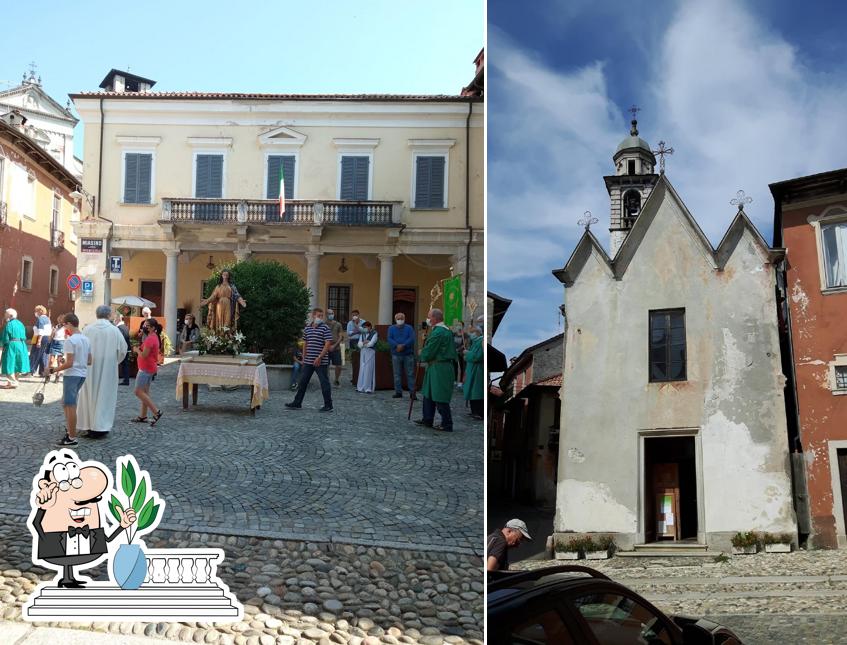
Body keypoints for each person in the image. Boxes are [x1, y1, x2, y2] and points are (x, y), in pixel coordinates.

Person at [76, 305, 129, 438]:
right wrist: (114, 361)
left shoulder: (87, 329)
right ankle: (101, 426)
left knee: (89, 395)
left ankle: (88, 425)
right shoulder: (114, 331)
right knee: (105, 396)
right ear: (109, 315)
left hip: (90, 367)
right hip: (108, 368)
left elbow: (80, 347)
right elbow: (123, 350)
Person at [50, 313, 92, 447]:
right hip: (81, 374)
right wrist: (71, 360)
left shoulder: (70, 340)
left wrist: (52, 370)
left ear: (69, 324)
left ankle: (72, 437)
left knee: (70, 405)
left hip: (72, 374)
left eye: (64, 325)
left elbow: (69, 363)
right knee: (65, 402)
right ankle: (70, 430)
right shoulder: (86, 339)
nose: (63, 328)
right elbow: (90, 360)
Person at [414, 308, 458, 432]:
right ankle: (427, 419)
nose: (427, 319)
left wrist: (422, 353)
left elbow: (430, 350)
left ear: (435, 318)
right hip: (434, 366)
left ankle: (447, 423)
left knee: (439, 395)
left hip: (440, 367)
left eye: (429, 316)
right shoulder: (440, 330)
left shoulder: (439, 332)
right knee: (428, 393)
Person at [286, 307, 333, 412]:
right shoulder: (307, 328)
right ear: (313, 315)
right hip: (308, 361)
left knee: (324, 383)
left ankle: (328, 405)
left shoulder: (325, 328)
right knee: (303, 382)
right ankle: (297, 403)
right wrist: (304, 356)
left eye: (322, 316)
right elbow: (305, 343)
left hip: (321, 361)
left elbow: (328, 344)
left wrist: (319, 357)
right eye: (318, 315)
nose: (320, 318)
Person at [133, 318, 163, 426]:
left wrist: (137, 350)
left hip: (146, 368)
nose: (145, 327)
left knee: (138, 391)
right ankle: (143, 416)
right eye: (144, 325)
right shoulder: (153, 337)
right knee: (144, 392)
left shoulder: (151, 339)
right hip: (149, 367)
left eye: (147, 326)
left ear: (153, 328)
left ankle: (156, 412)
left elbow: (144, 355)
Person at [388, 312, 416, 400]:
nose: (400, 320)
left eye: (401, 318)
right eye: (398, 318)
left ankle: (412, 393)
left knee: (410, 374)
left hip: (408, 354)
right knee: (397, 374)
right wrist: (397, 346)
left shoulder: (409, 328)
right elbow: (389, 338)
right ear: (395, 319)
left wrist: (403, 345)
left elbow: (411, 338)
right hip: (396, 354)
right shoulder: (391, 328)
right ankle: (398, 392)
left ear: (404, 319)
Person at [0, 308, 29, 388]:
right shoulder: (20, 323)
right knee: (16, 363)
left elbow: (5, 338)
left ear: (10, 315)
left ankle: (13, 382)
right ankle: (13, 381)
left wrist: (2, 344)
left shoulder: (9, 324)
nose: (4, 315)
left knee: (8, 363)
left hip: (11, 345)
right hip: (21, 344)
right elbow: (24, 336)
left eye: (5, 314)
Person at [463, 326, 484, 420]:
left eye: (472, 333)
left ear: (477, 333)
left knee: (476, 391)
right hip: (472, 369)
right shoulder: (476, 342)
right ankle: (474, 411)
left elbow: (478, 356)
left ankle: (478, 412)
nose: (471, 335)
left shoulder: (481, 342)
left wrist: (467, 353)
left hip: (477, 370)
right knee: (471, 390)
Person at [30, 305, 53, 377]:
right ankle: (42, 371)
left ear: (40, 311)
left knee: (34, 354)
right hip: (47, 338)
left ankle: (31, 371)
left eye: (36, 311)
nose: (35, 313)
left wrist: (39, 341)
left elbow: (41, 330)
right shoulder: (48, 319)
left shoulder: (41, 319)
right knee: (43, 355)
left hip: (40, 338)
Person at [356, 321, 378, 393]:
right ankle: (360, 387)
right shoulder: (362, 334)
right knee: (362, 368)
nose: (364, 329)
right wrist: (364, 342)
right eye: (363, 328)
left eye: (365, 327)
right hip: (363, 351)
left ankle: (367, 387)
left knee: (368, 369)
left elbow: (371, 344)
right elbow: (359, 344)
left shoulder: (374, 333)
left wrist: (364, 343)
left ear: (369, 327)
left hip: (370, 352)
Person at [326, 308, 345, 386]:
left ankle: (336, 379)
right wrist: (328, 346)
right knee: (325, 365)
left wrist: (334, 345)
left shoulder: (338, 324)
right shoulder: (324, 324)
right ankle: (326, 379)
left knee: (338, 365)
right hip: (326, 348)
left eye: (332, 313)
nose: (331, 315)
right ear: (326, 315)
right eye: (329, 313)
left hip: (336, 347)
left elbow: (340, 336)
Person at [48, 314, 67, 383]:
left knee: (59, 361)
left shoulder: (66, 328)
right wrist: (52, 332)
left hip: (61, 343)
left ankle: (57, 376)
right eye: (59, 320)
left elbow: (67, 337)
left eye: (61, 320)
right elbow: (50, 337)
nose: (60, 321)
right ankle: (49, 375)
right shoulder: (55, 327)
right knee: (51, 361)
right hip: (54, 343)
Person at [115, 313, 131, 385]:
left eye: (115, 318)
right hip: (127, 348)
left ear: (118, 319)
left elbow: (120, 339)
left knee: (124, 364)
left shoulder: (120, 328)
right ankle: (126, 379)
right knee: (125, 364)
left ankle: (126, 380)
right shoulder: (125, 326)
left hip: (123, 348)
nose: (115, 320)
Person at [453, 321, 466, 390]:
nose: (458, 326)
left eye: (460, 325)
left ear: (463, 326)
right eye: (457, 325)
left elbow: (465, 344)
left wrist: (459, 349)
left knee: (462, 367)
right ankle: (454, 380)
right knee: (454, 366)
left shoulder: (465, 335)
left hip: (461, 353)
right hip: (454, 353)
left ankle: (460, 382)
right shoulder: (454, 334)